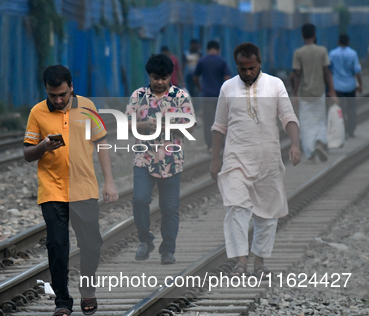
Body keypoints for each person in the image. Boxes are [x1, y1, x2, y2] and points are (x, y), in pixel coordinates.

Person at [23, 65, 118, 316]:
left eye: (62, 94)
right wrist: (43, 145)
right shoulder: (37, 112)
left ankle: (87, 289)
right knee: (57, 247)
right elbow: (28, 154)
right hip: (52, 189)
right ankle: (62, 301)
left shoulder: (87, 106)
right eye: (53, 95)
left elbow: (102, 144)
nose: (58, 100)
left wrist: (109, 182)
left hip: (84, 188)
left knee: (92, 245)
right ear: (46, 91)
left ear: (71, 87)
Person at [210, 43, 301, 279]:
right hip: (235, 158)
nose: (248, 73)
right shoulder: (227, 88)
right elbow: (220, 126)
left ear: (260, 62)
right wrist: (214, 159)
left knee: (268, 214)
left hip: (268, 158)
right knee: (236, 207)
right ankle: (241, 261)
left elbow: (288, 117)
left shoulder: (275, 85)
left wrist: (295, 144)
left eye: (251, 68)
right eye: (242, 69)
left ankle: (259, 262)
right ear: (236, 65)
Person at [125, 54, 195, 265]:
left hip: (172, 160)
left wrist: (169, 126)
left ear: (170, 76)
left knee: (170, 207)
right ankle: (145, 240)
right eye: (156, 77)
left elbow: (191, 125)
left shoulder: (181, 96)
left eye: (164, 77)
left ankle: (168, 250)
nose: (160, 82)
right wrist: (144, 126)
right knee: (140, 200)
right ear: (149, 76)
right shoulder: (138, 96)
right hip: (144, 158)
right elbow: (127, 123)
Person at [292, 23, 336, 164]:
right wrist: (332, 91)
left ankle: (310, 153)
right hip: (319, 92)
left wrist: (295, 94)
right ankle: (319, 142)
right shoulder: (322, 51)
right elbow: (327, 72)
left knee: (306, 124)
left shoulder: (298, 53)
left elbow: (297, 74)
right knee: (320, 121)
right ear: (315, 35)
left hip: (305, 93)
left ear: (302, 36)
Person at [193, 40, 232, 151]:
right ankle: (221, 143)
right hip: (220, 96)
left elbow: (195, 78)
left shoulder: (202, 61)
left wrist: (200, 87)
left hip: (207, 96)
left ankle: (210, 145)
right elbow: (227, 78)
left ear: (207, 49)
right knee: (222, 120)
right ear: (218, 50)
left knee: (208, 121)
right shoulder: (222, 61)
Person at [329, 34, 363, 138]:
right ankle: (351, 130)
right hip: (350, 86)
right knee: (352, 109)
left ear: (338, 42)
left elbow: (328, 70)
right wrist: (360, 84)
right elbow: (357, 71)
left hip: (337, 86)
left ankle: (341, 130)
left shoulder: (333, 54)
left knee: (340, 110)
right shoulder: (353, 54)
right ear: (348, 42)